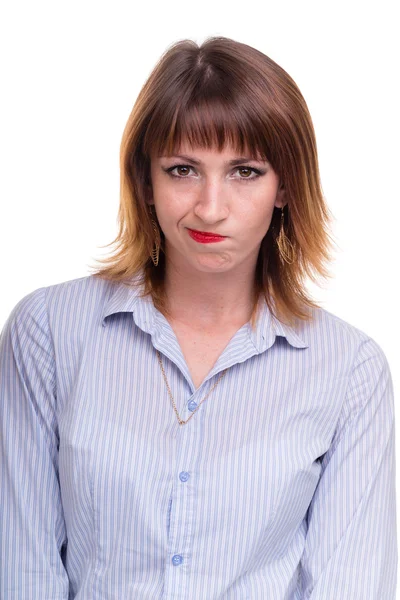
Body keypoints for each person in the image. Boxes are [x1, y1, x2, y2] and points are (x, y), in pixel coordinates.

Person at [0, 36, 397, 599]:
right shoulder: (48, 333)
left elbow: (349, 586)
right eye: (183, 169)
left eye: (245, 172)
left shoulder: (349, 371)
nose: (210, 207)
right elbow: (23, 571)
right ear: (146, 180)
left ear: (285, 185)